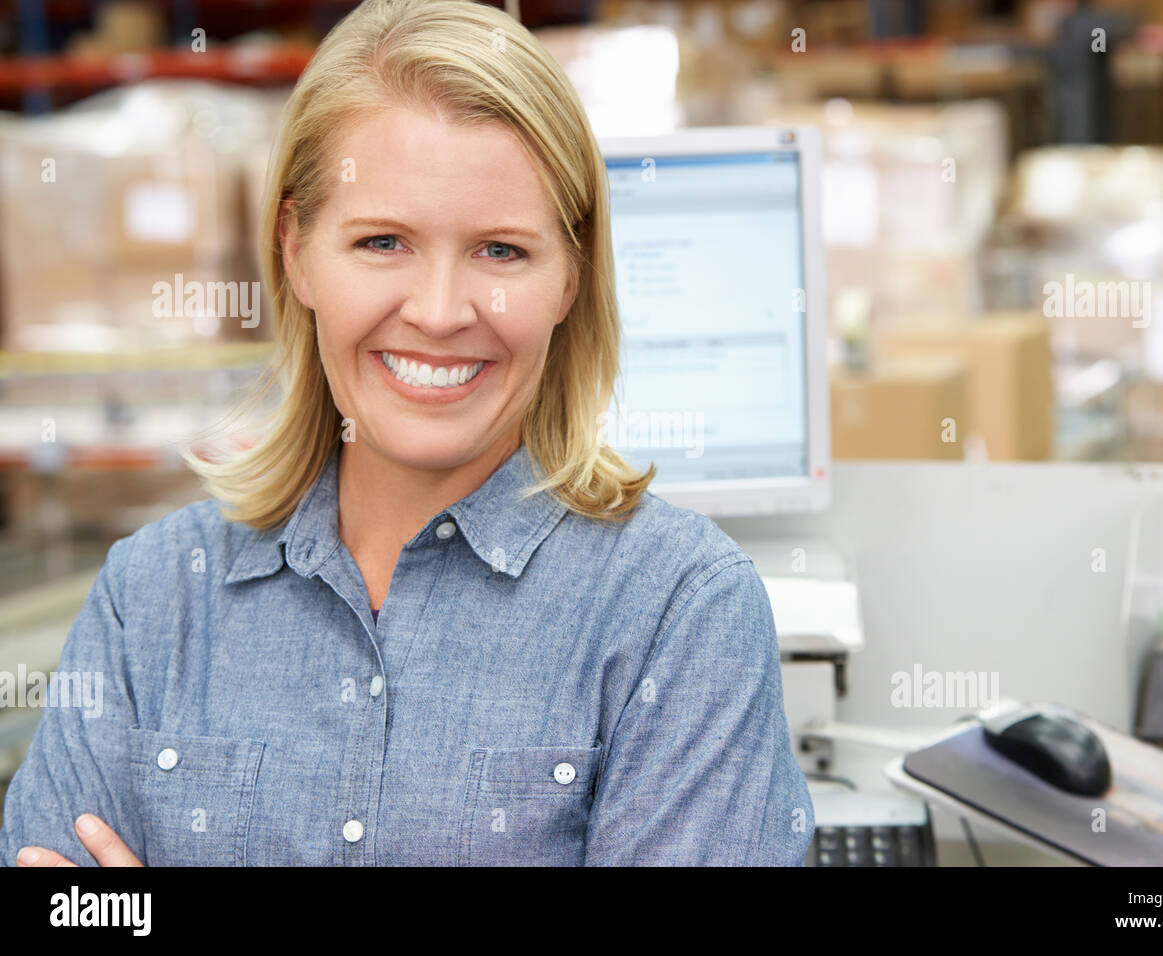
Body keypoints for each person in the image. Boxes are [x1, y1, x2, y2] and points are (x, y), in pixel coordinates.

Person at [0, 0, 813, 866]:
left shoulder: (679, 613)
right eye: (383, 241)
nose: (436, 312)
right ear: (296, 251)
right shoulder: (152, 600)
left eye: (501, 251)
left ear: (572, 278)